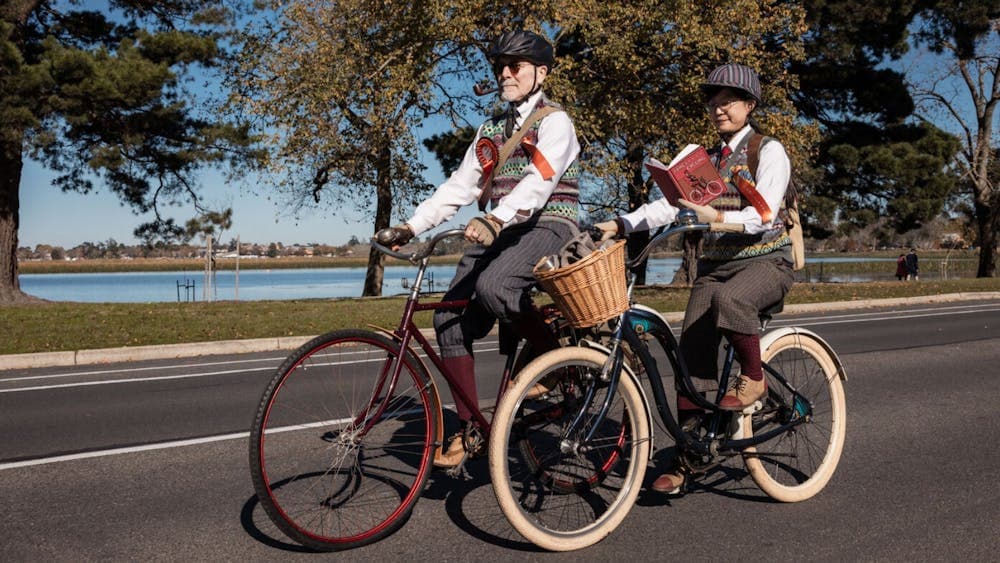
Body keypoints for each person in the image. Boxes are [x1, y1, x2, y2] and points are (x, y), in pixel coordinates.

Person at [375, 30, 581, 468]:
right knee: (448, 316)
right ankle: (471, 429)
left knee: (495, 285)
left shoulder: (555, 121)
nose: (505, 73)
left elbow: (539, 182)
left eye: (515, 66)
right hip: (498, 229)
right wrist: (411, 226)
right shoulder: (490, 129)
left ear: (540, 72)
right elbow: (461, 185)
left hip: (548, 224)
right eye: (500, 66)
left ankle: (554, 360)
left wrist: (495, 217)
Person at [595, 63, 794, 493]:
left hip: (766, 262)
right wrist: (620, 224)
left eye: (728, 100)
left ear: (749, 105)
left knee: (731, 302)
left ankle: (754, 377)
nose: (718, 108)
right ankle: (691, 454)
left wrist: (715, 216)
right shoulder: (704, 159)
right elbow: (668, 207)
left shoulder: (767, 150)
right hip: (715, 268)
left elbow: (765, 216)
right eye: (713, 101)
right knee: (690, 356)